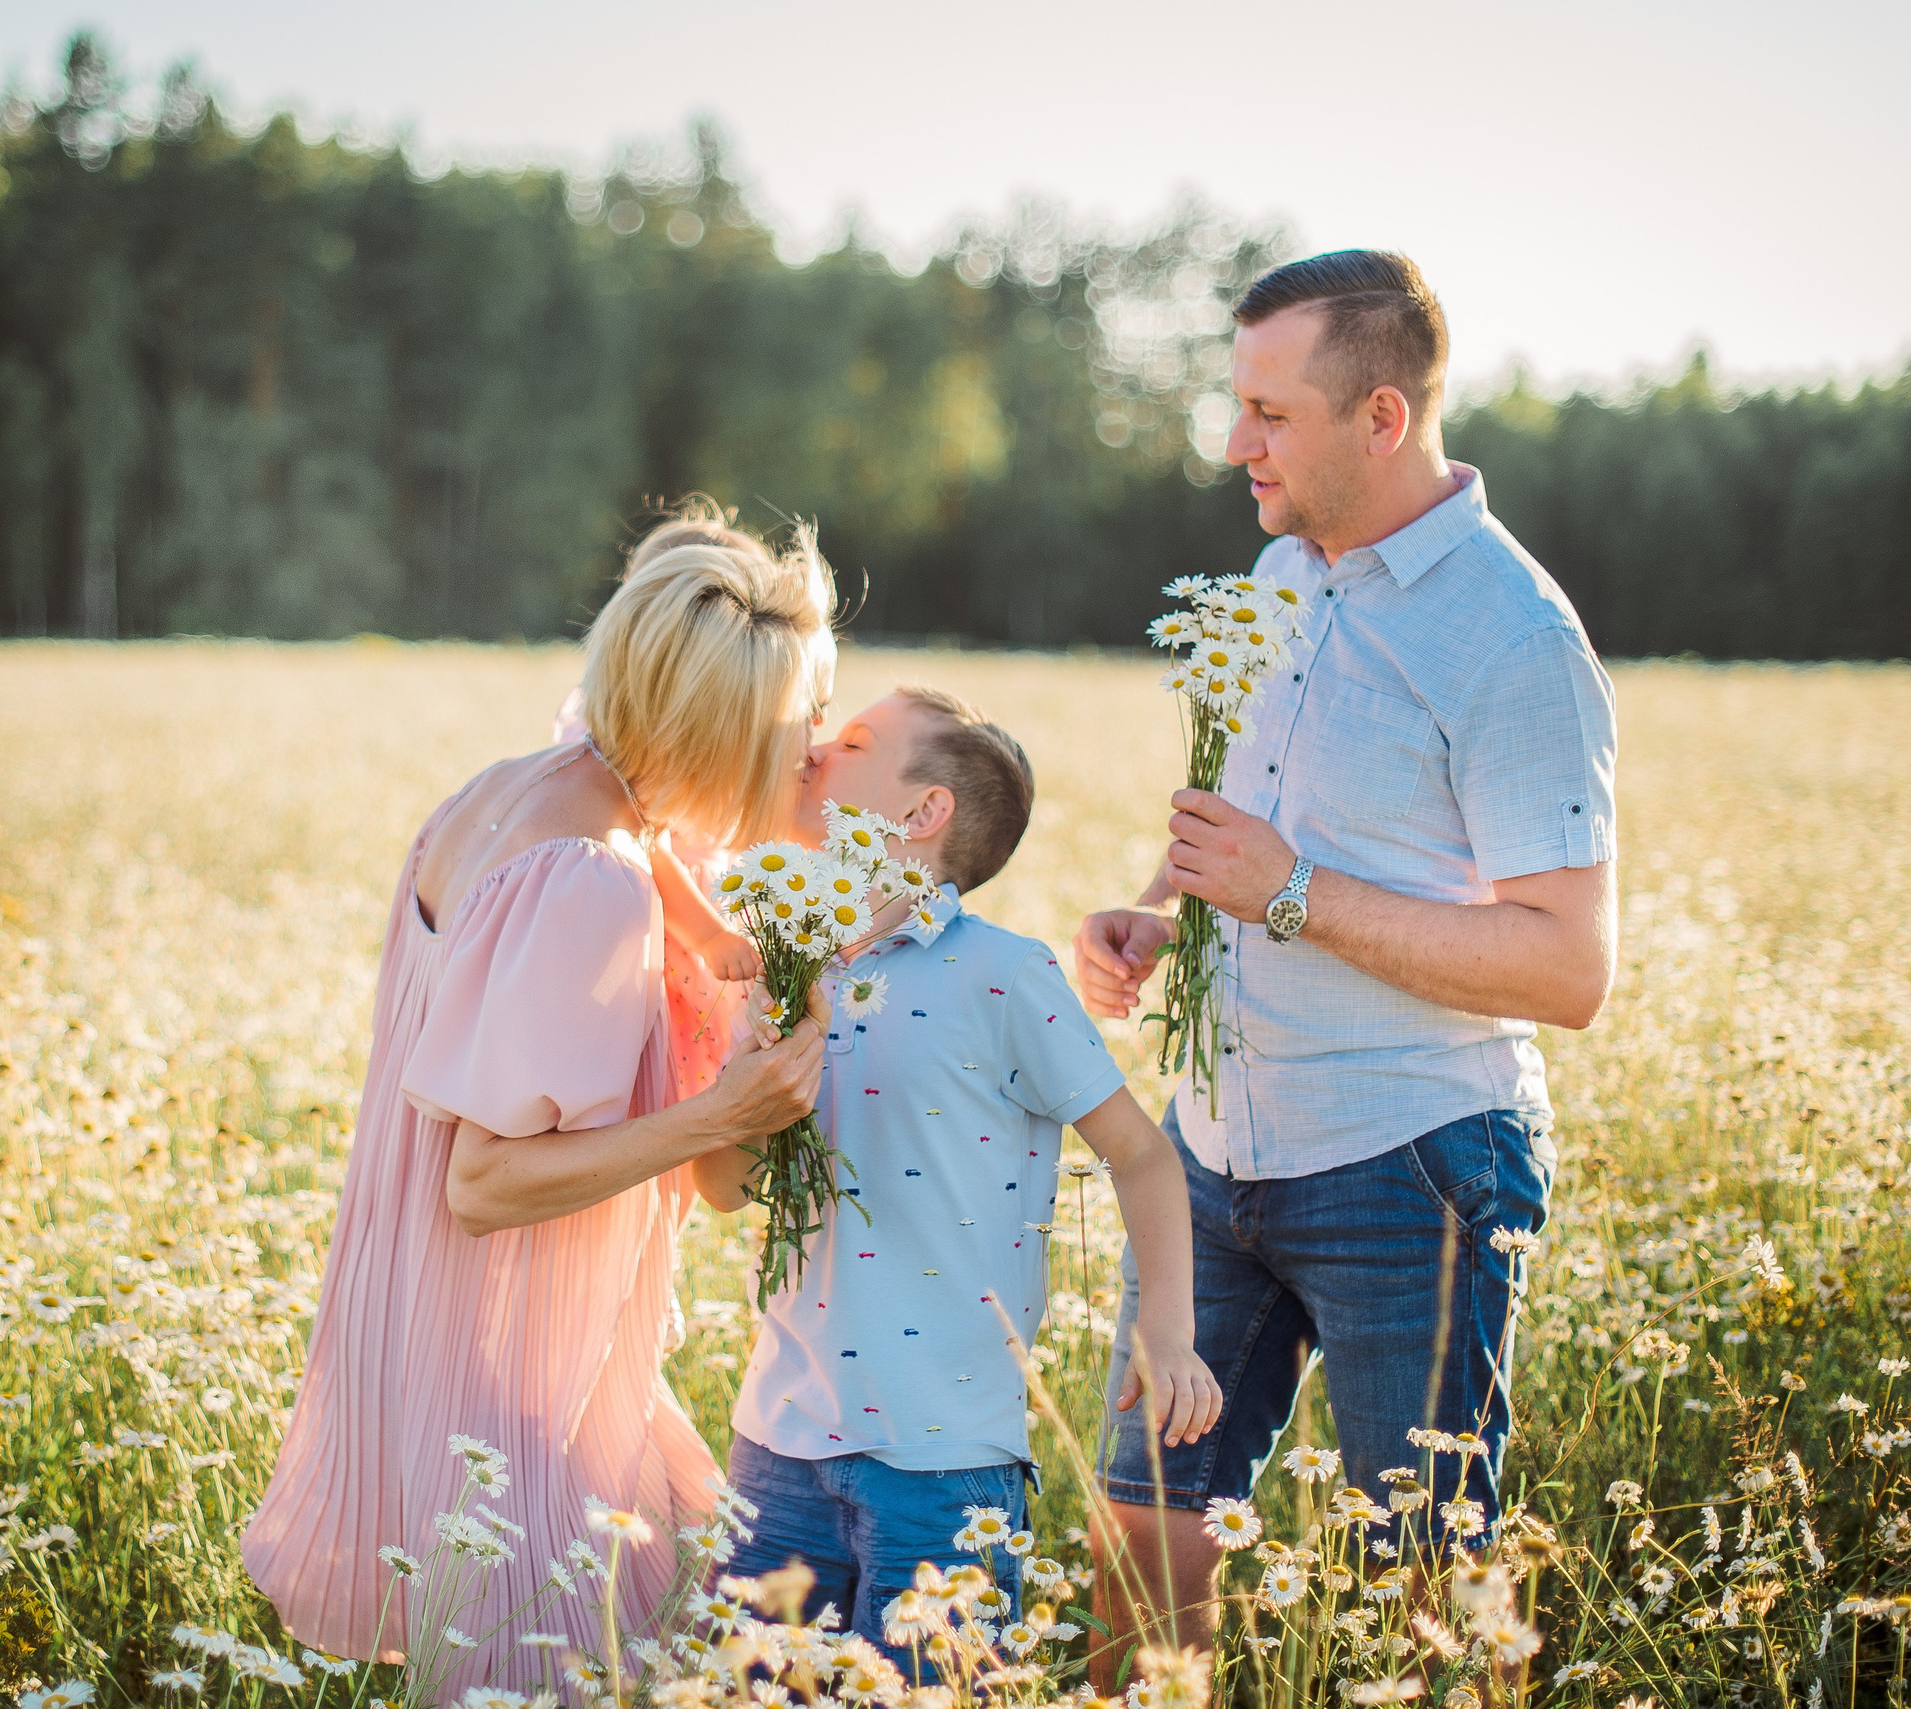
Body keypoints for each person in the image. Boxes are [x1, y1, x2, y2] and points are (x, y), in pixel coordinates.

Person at [1073, 251, 1619, 1649]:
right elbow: (1246, 839)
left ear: (1382, 418)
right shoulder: (1277, 572)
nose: (1235, 442)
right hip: (1212, 1158)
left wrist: (1291, 894)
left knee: (1422, 1593)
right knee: (1141, 1534)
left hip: (1412, 1163)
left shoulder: (1515, 638)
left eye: (1270, 412)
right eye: (1235, 403)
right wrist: (1164, 911)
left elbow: (1567, 970)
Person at [241, 515, 839, 1693]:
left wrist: (707, 923)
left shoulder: (517, 790)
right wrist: (720, 1114)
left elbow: (613, 777)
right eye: (798, 721)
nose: (814, 747)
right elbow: (484, 1180)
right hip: (508, 1367)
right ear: (723, 728)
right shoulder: (592, 887)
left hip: (430, 1327)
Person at [696, 687, 1222, 1666]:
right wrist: (739, 1089)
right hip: (779, 1440)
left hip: (944, 1461)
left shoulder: (1001, 975)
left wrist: (1169, 1333)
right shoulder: (779, 961)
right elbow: (722, 1186)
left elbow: (1142, 1154)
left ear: (920, 812)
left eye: (852, 741)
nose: (812, 749)